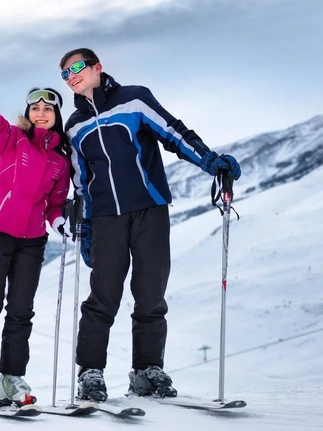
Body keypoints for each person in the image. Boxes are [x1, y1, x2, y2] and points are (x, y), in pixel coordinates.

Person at [57, 48, 241, 402]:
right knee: (103, 296)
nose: (72, 76)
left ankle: (146, 371)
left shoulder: (134, 99)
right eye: (65, 74)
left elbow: (174, 133)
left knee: (150, 292)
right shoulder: (74, 125)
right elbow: (81, 180)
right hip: (108, 218)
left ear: (97, 67)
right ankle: (90, 372)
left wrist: (210, 161)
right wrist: (87, 226)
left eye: (77, 67)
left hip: (149, 209)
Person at [0, 83, 71, 409]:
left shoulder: (60, 163)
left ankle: (10, 380)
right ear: (28, 112)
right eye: (35, 108)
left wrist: (58, 220)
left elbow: (56, 203)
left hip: (32, 243)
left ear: (56, 115)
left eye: (47, 109)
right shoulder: (14, 139)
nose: (40, 113)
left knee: (21, 313)